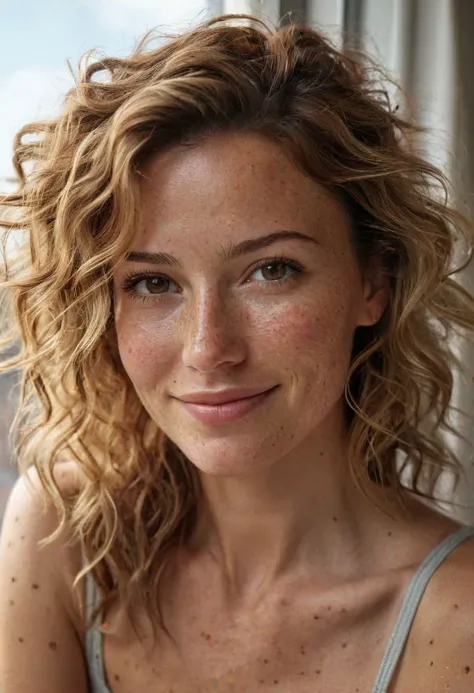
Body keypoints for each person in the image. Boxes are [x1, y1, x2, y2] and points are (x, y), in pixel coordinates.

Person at [0, 11, 474, 693]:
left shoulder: (455, 618)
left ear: (374, 280)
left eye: (270, 270)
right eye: (154, 283)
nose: (207, 348)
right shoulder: (66, 538)